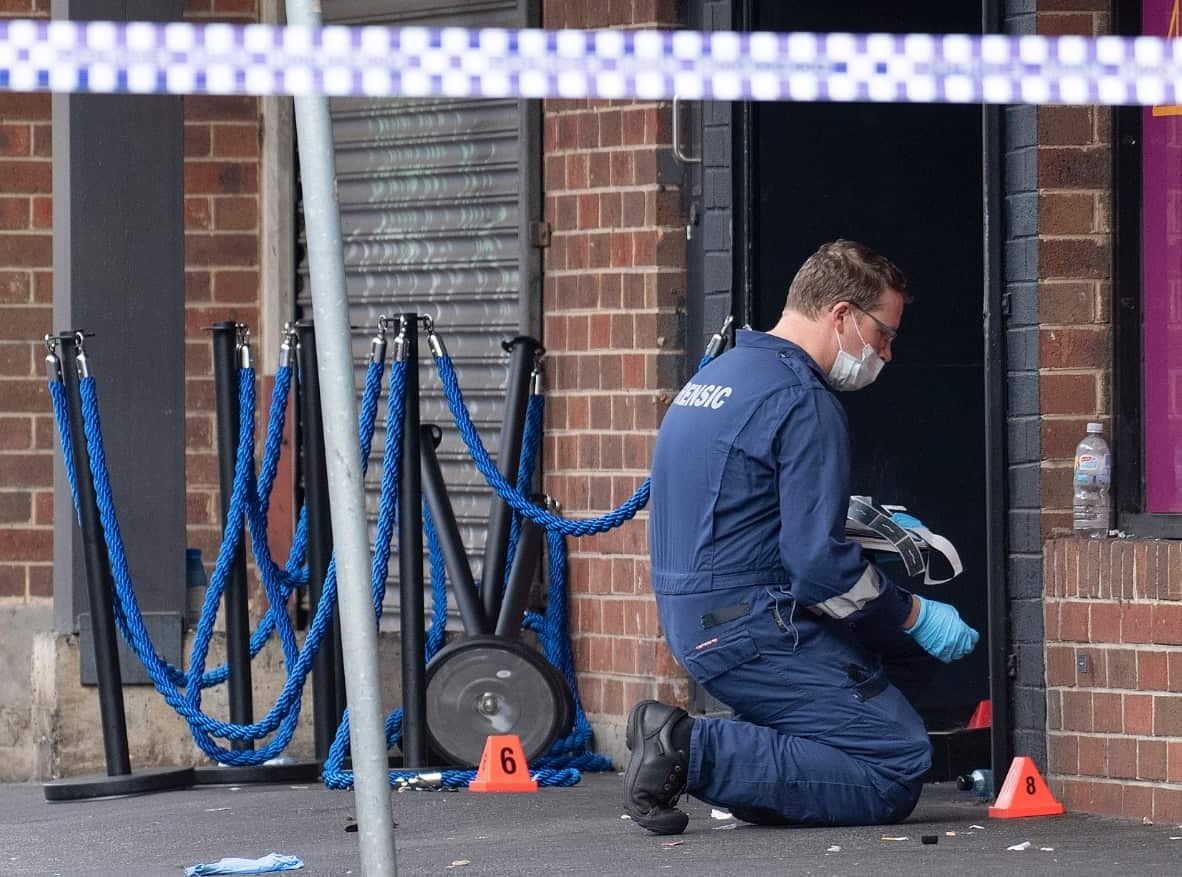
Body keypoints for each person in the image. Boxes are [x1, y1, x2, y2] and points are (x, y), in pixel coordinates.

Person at [623, 240, 979, 835]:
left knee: (902, 654)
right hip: (755, 626)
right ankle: (691, 749)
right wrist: (913, 611)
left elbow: (743, 507)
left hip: (703, 621)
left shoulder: (720, 377)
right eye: (883, 334)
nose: (886, 354)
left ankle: (755, 764)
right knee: (895, 764)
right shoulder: (803, 401)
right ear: (841, 315)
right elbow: (817, 569)